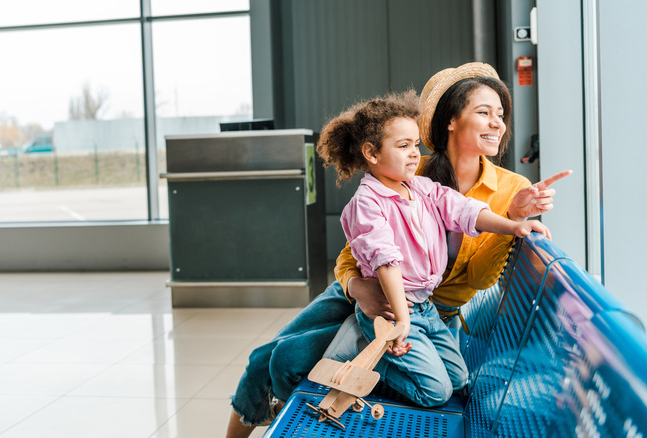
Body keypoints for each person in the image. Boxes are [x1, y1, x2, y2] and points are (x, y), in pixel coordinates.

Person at [225, 62, 571, 438]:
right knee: (266, 359)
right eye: (484, 113)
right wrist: (360, 290)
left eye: (501, 115)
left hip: (427, 311)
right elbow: (351, 254)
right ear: (450, 120)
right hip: (362, 294)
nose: (498, 124)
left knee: (285, 359)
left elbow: (479, 276)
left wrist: (513, 219)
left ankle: (297, 408)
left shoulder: (510, 188)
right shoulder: (408, 168)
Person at [316, 89, 550, 407]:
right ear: (371, 153)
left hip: (427, 309)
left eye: (415, 145)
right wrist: (400, 322)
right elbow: (386, 261)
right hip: (393, 312)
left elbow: (465, 210)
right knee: (435, 394)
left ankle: (392, 355)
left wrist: (514, 225)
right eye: (403, 146)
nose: (414, 154)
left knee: (458, 381)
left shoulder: (422, 187)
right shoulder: (367, 205)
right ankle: (372, 358)